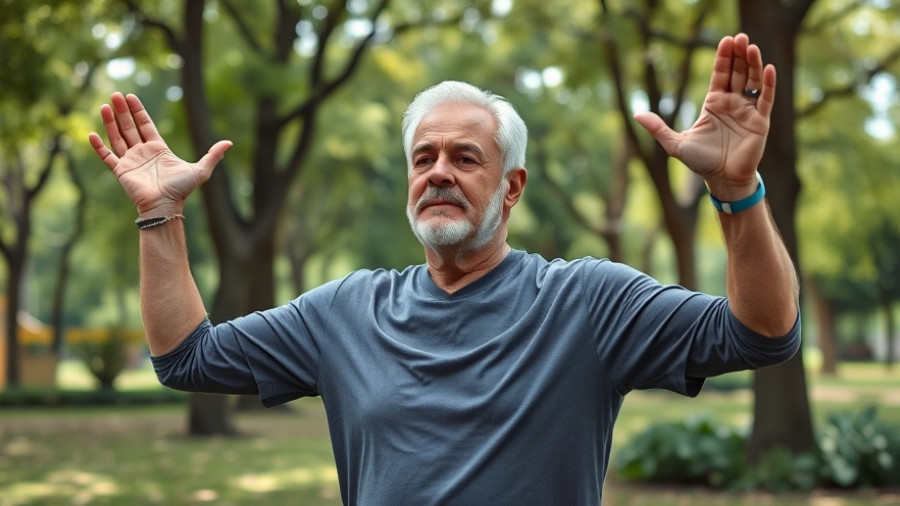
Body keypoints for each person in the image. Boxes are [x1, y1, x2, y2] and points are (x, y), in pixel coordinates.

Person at [89, 33, 799, 505]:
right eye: (422, 158)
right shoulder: (345, 312)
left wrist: (737, 191)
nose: (438, 173)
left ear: (512, 187)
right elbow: (188, 358)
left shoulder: (587, 302)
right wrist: (159, 216)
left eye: (465, 158)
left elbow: (764, 333)